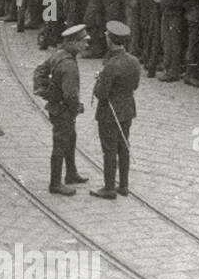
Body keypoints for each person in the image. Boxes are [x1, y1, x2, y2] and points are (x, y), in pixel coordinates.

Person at [90, 20, 139, 199]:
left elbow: (101, 94)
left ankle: (109, 187)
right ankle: (124, 186)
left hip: (109, 114)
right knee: (124, 147)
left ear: (110, 40)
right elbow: (135, 86)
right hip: (127, 111)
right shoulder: (134, 61)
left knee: (109, 149)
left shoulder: (111, 65)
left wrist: (99, 80)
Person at [44, 24, 89, 195]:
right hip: (64, 110)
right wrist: (76, 107)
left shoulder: (59, 55)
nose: (86, 45)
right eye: (82, 42)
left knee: (70, 138)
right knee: (61, 143)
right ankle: (55, 183)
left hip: (58, 107)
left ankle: (71, 173)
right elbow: (70, 94)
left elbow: (40, 72)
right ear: (72, 43)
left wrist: (46, 92)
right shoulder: (68, 64)